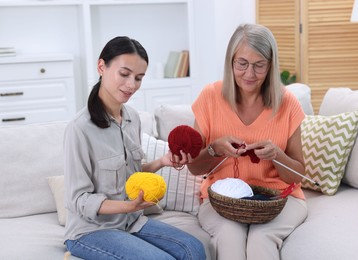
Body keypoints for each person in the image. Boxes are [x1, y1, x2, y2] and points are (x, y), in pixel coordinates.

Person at [63, 36, 206, 260]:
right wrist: (128, 206)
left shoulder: (132, 118)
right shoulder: (79, 129)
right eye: (124, 74)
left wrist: (162, 162)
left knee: (194, 249)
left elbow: (133, 177)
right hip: (91, 231)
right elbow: (78, 199)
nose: (132, 85)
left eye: (139, 78)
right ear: (102, 67)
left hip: (132, 222)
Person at [187, 24, 308, 260]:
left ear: (271, 65)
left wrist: (277, 156)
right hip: (222, 200)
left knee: (261, 240)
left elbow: (298, 175)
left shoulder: (288, 103)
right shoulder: (210, 97)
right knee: (229, 238)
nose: (249, 74)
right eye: (242, 63)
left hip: (279, 199)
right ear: (230, 62)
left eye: (259, 65)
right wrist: (214, 150)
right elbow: (193, 167)